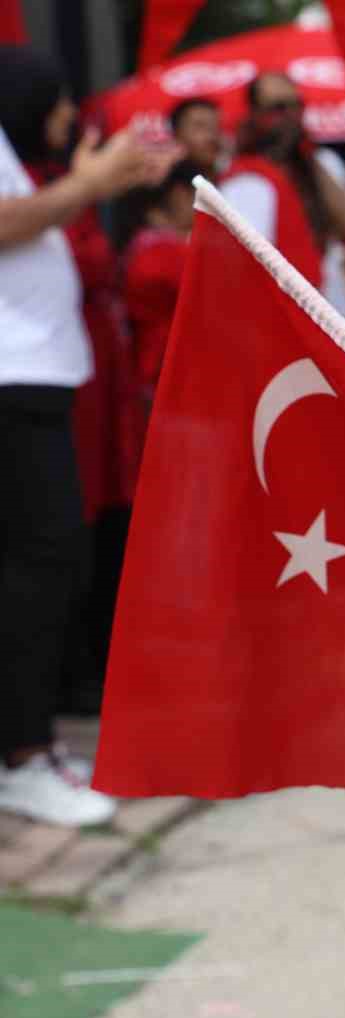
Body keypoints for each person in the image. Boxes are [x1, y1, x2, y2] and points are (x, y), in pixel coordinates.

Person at [0, 45, 174, 826]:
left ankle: (29, 748)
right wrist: (93, 183)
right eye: (61, 102)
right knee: (43, 567)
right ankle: (25, 756)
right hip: (13, 382)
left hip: (35, 383)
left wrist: (104, 177)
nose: (69, 118)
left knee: (46, 566)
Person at [218, 72, 345, 294]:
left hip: (331, 300)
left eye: (296, 105)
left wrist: (307, 157)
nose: (290, 115)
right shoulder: (242, 172)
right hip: (277, 299)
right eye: (278, 107)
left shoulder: (321, 160)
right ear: (255, 113)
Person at [122, 160, 202, 474]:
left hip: (172, 386)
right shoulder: (159, 253)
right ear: (179, 195)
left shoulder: (157, 246)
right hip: (166, 386)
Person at [168, 97, 222, 178]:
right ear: (177, 134)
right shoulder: (163, 184)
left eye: (215, 127)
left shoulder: (235, 180)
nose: (211, 136)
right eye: (200, 127)